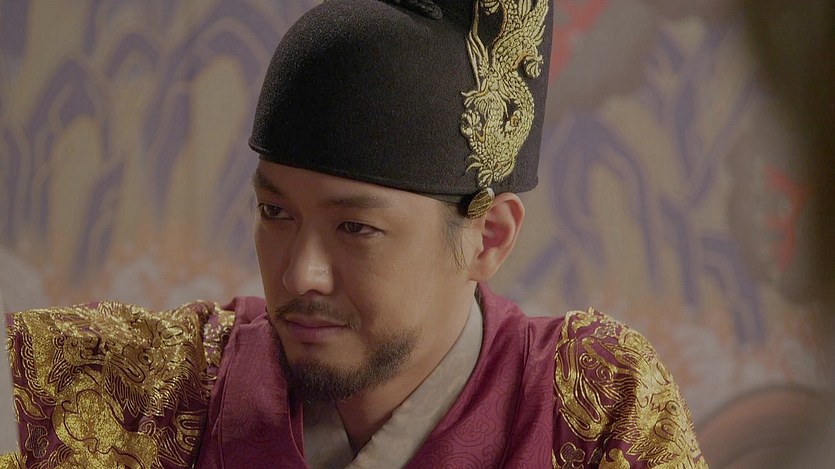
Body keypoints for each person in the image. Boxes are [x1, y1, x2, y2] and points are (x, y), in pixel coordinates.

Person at [1, 1, 707, 467]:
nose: (298, 274)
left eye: (355, 227)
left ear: (487, 236)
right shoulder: (160, 388)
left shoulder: (590, 404)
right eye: (275, 213)